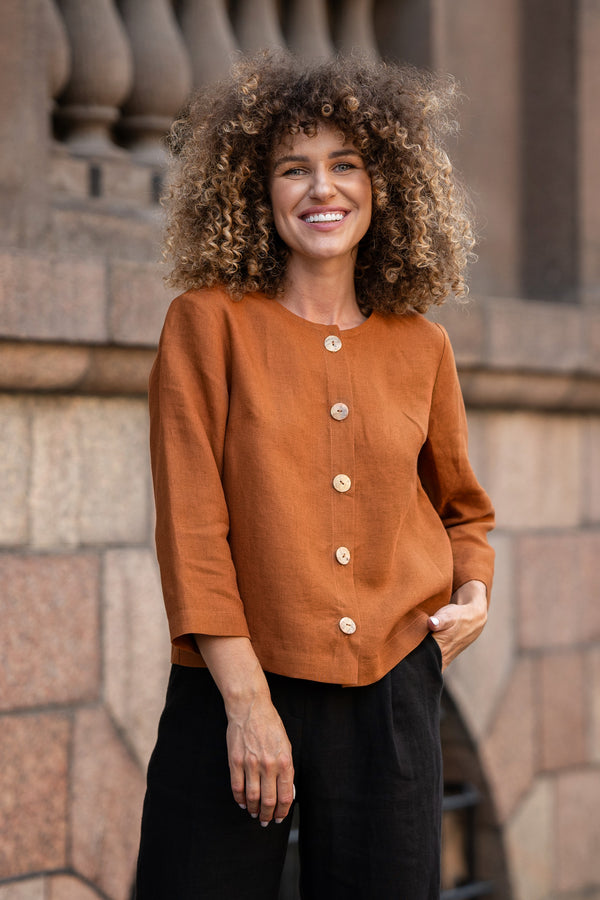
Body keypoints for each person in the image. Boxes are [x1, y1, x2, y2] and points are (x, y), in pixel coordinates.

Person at [135, 52, 495, 900]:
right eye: (293, 169)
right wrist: (247, 705)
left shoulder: (422, 346)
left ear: (385, 185)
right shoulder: (206, 325)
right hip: (234, 686)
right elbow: (191, 526)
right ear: (254, 193)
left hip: (392, 693)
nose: (320, 189)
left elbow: (461, 507)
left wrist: (473, 589)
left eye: (345, 166)